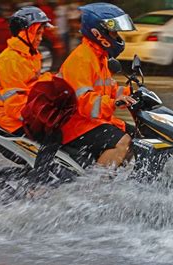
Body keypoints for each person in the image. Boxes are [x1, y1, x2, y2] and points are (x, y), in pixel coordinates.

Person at [57, 3, 137, 168]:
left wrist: (134, 93)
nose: (117, 37)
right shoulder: (82, 58)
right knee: (124, 141)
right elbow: (84, 102)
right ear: (98, 32)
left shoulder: (99, 57)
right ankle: (95, 187)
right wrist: (114, 103)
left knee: (138, 137)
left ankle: (116, 177)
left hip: (93, 121)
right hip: (75, 124)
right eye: (113, 32)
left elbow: (110, 88)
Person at [0, 6, 54, 134]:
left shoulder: (31, 54)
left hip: (28, 111)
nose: (40, 38)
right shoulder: (10, 60)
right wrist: (42, 117)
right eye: (37, 33)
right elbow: (14, 106)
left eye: (42, 33)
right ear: (25, 33)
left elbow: (33, 86)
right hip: (12, 119)